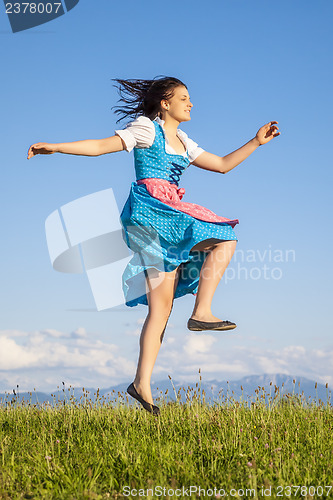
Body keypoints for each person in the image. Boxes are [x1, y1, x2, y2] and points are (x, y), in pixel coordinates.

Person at [27, 76, 280, 415]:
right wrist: (57, 147)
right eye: (184, 98)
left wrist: (255, 142)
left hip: (168, 215)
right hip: (152, 211)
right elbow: (102, 146)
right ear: (165, 103)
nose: (190, 103)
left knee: (160, 310)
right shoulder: (147, 129)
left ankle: (141, 384)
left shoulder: (184, 141)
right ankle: (201, 313)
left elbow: (221, 166)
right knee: (225, 235)